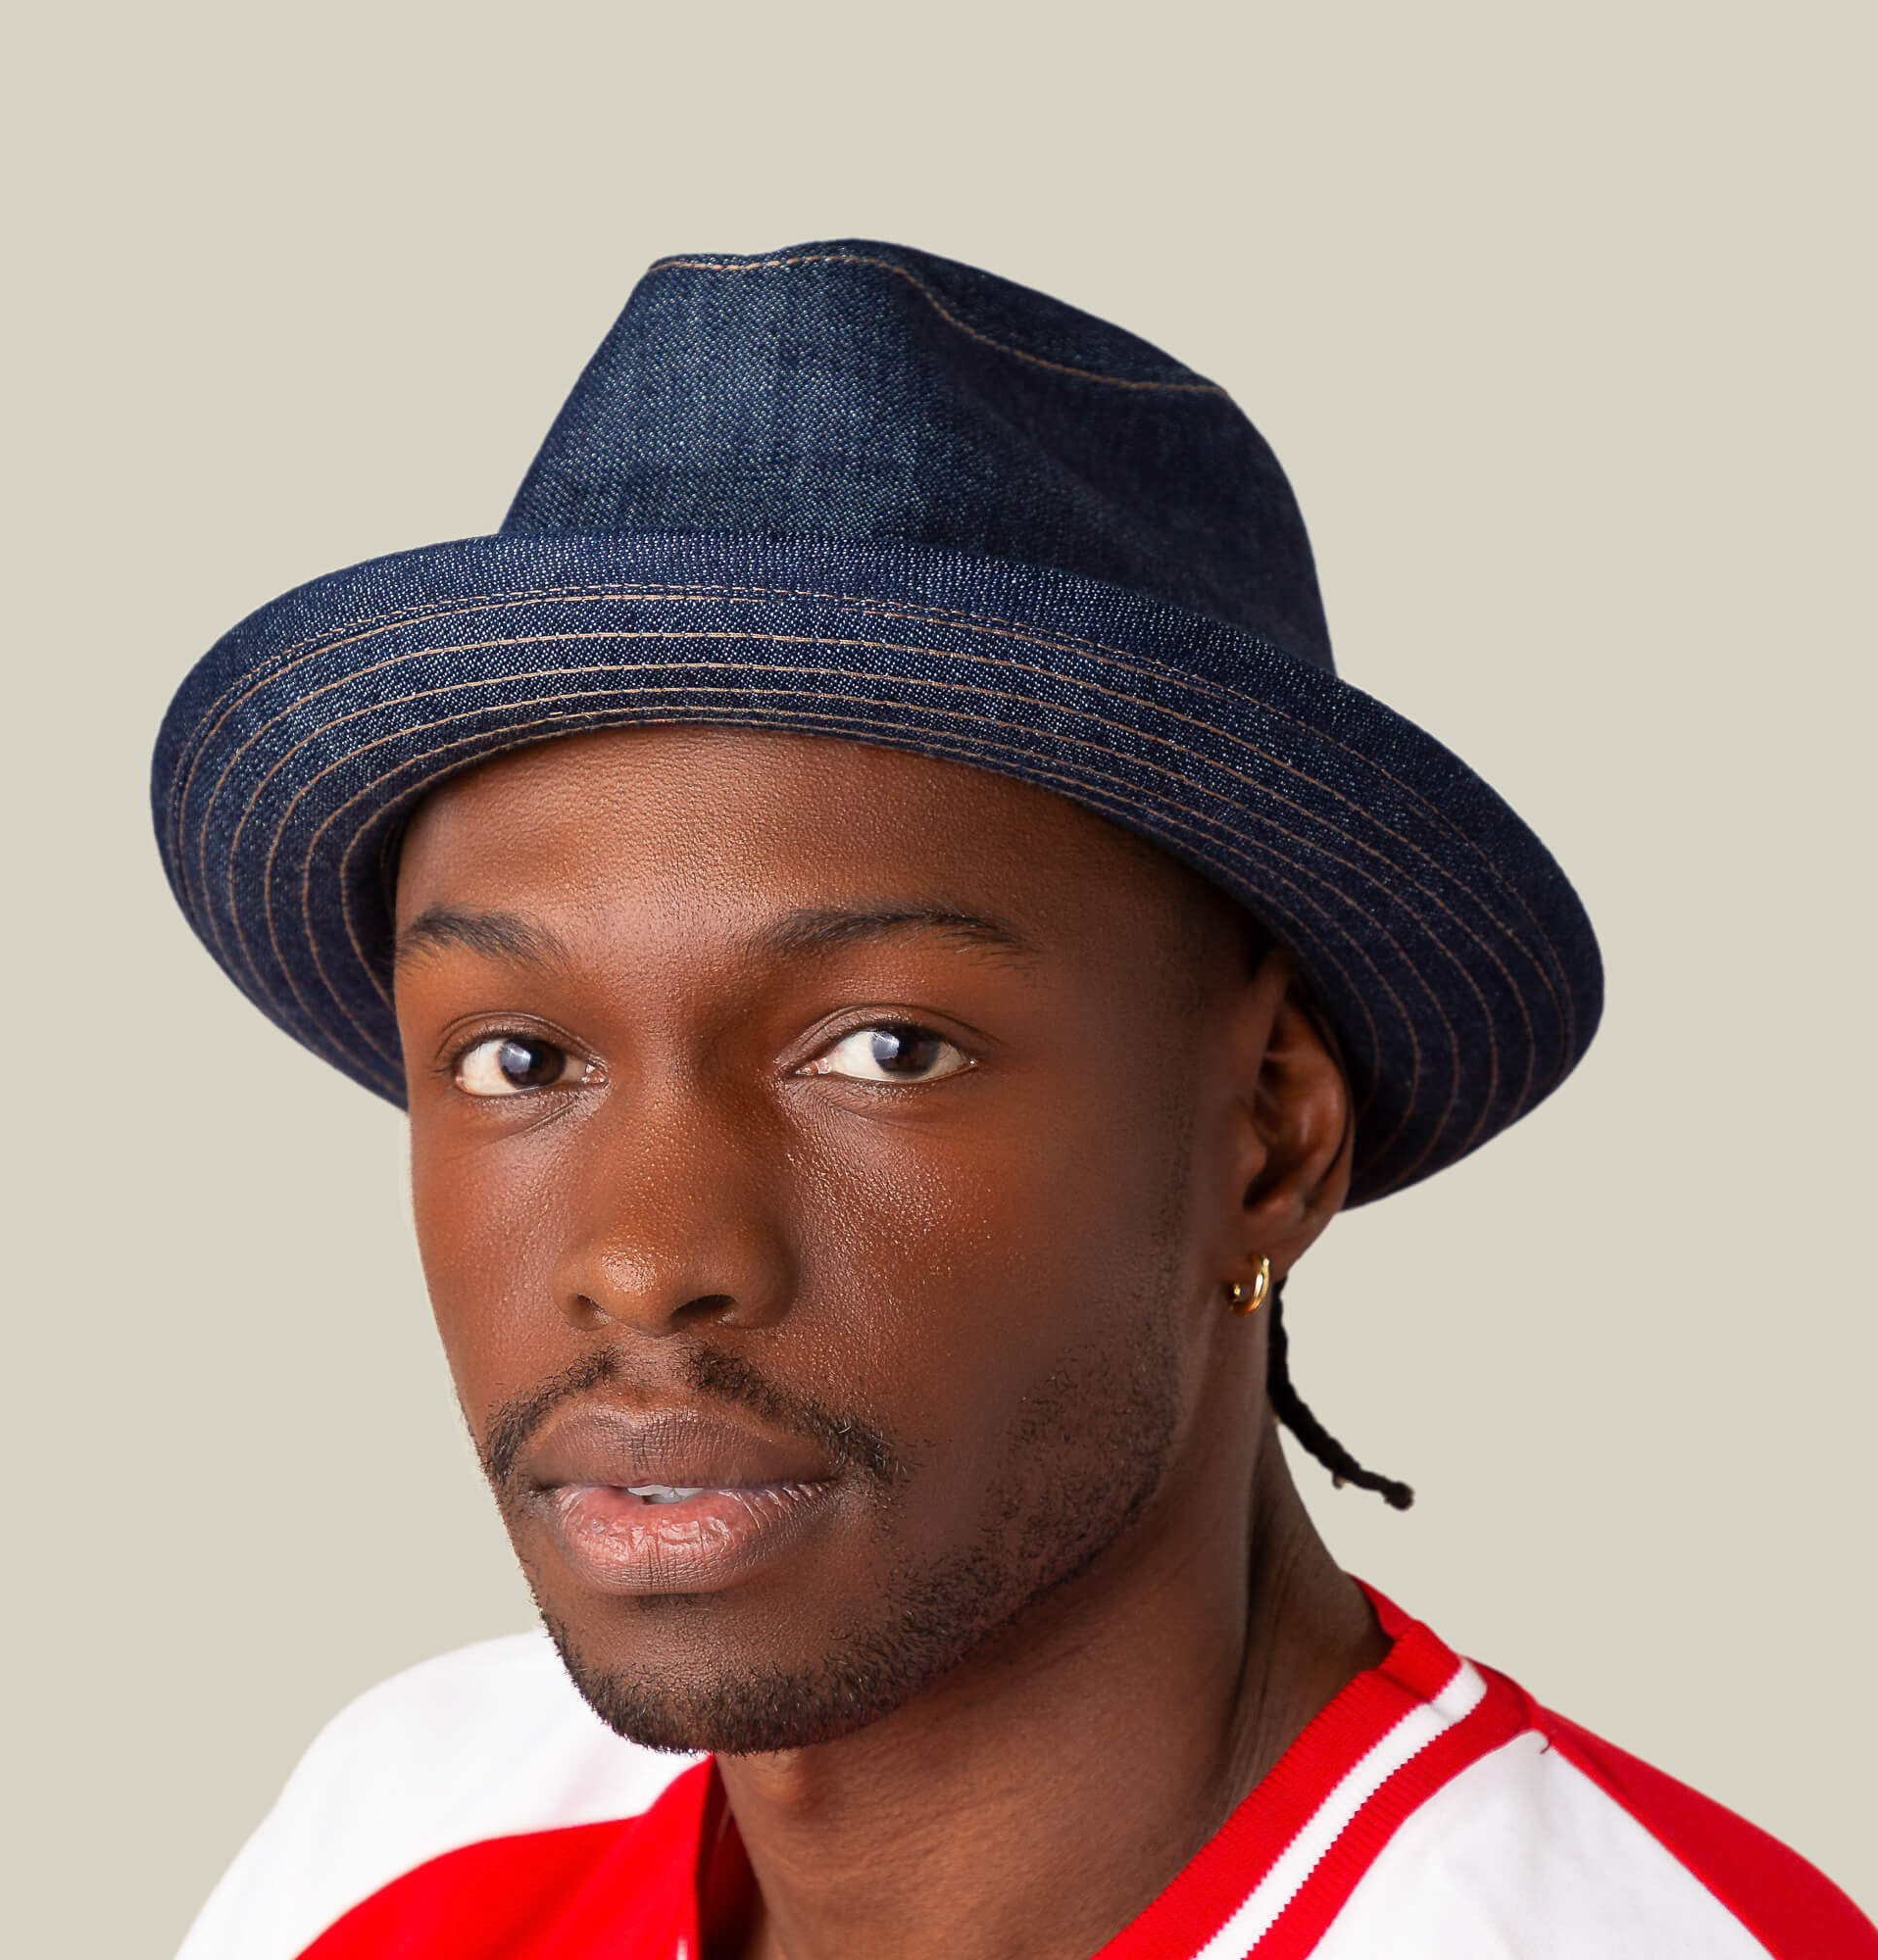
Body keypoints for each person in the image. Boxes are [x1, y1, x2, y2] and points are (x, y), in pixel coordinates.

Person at [155, 241, 1875, 1959]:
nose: (643, 1255)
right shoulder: (401, 1830)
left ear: (1269, 1134)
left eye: (886, 1049)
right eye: (518, 1059)